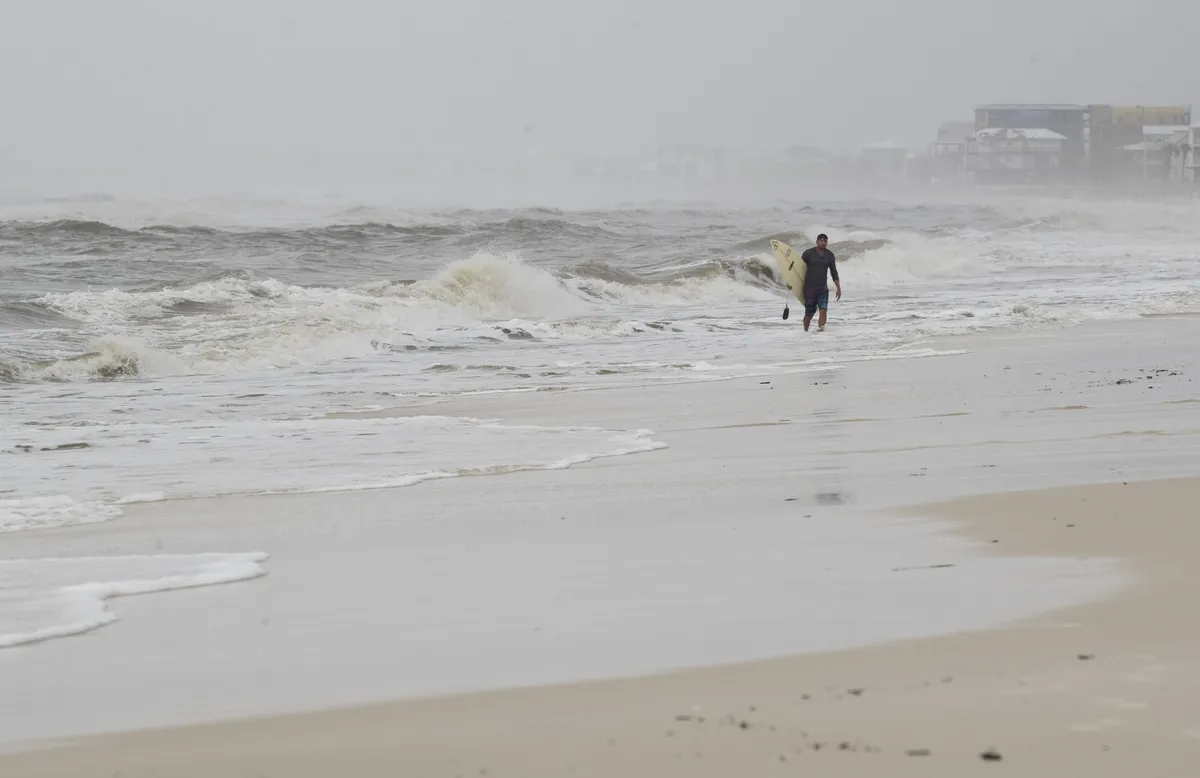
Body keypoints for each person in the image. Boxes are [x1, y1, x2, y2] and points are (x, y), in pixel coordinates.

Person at [800, 233, 841, 331]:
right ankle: (805, 332)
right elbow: (799, 269)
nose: (823, 243)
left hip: (822, 289)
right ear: (817, 241)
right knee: (809, 315)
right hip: (810, 289)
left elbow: (834, 272)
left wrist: (838, 288)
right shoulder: (808, 253)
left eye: (825, 241)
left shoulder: (829, 255)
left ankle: (821, 333)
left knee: (823, 310)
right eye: (821, 240)